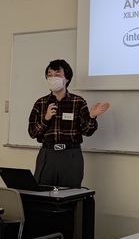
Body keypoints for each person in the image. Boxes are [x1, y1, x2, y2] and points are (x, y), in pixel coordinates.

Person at [28, 59, 109, 188]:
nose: (53, 79)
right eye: (50, 75)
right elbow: (32, 132)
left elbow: (87, 131)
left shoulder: (78, 101)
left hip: (70, 154)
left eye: (57, 75)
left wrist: (92, 116)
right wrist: (46, 118)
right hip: (48, 153)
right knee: (42, 191)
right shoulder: (41, 103)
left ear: (67, 78)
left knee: (70, 193)